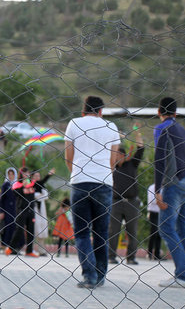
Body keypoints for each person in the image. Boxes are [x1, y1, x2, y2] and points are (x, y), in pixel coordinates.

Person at [64, 95, 121, 289]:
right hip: (104, 182)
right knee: (101, 233)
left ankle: (89, 276)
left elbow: (68, 156)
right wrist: (103, 174)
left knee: (81, 233)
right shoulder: (111, 127)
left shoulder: (74, 123)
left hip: (80, 182)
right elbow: (113, 160)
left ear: (83, 111)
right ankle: (100, 275)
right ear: (101, 111)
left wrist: (78, 174)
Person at [154, 96, 185, 288]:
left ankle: (183, 273)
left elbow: (159, 160)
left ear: (158, 112)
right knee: (183, 227)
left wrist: (157, 190)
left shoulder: (162, 129)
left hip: (173, 182)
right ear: (176, 113)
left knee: (166, 228)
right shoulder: (182, 130)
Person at [108, 127, 144, 265]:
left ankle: (131, 257)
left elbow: (140, 148)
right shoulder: (111, 168)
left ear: (122, 155)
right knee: (113, 230)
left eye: (116, 154)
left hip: (131, 202)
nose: (114, 157)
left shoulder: (132, 164)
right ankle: (111, 256)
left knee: (132, 231)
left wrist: (137, 133)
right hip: (116, 202)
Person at [5, 167, 39, 257]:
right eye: (24, 173)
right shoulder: (17, 184)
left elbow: (39, 186)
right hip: (21, 209)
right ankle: (10, 248)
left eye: (27, 173)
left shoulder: (32, 184)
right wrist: (23, 186)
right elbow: (15, 194)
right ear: (21, 174)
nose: (26, 175)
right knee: (19, 230)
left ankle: (29, 251)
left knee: (31, 231)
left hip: (31, 210)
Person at [32, 168, 55, 255]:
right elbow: (36, 195)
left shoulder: (41, 186)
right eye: (35, 176)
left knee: (42, 229)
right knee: (34, 228)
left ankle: (41, 250)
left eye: (38, 176)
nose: (37, 177)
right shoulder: (30, 185)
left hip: (42, 209)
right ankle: (31, 249)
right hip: (34, 209)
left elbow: (45, 195)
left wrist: (38, 195)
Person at [0, 167, 17, 248]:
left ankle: (14, 246)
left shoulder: (17, 184)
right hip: (7, 209)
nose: (10, 176)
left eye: (12, 174)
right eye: (9, 174)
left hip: (15, 209)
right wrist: (1, 211)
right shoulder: (5, 185)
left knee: (15, 226)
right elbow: (1, 199)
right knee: (7, 227)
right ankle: (5, 245)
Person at [146, 183, 163, 261]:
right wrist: (162, 201)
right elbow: (152, 200)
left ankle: (157, 254)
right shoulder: (152, 187)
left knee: (160, 234)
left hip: (161, 212)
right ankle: (149, 253)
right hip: (153, 212)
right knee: (154, 232)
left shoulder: (164, 188)